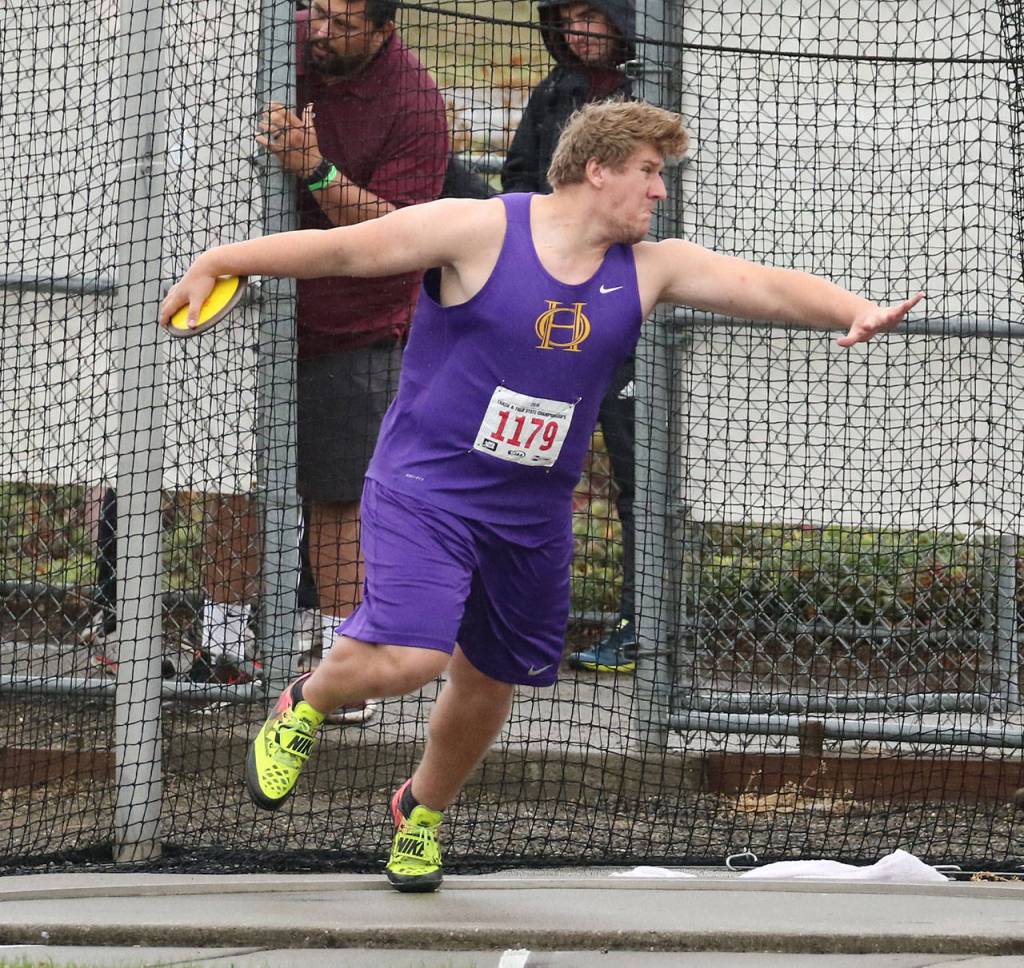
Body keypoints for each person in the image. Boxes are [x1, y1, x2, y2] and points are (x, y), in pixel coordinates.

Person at [160, 99, 923, 893]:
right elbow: (346, 251)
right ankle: (305, 702)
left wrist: (854, 310)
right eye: (649, 173)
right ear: (599, 169)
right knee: (414, 654)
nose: (660, 192)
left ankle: (420, 812)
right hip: (429, 486)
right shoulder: (481, 229)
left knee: (491, 678)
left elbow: (759, 286)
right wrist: (224, 257)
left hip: (530, 513)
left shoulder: (650, 268)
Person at [198, 0, 448, 718]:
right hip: (252, 312)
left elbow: (399, 233)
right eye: (317, 12)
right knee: (231, 479)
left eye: (342, 22)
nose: (319, 31)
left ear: (384, 27)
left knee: (340, 496)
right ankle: (223, 646)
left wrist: (312, 167)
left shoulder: (416, 103)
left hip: (353, 322)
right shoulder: (277, 48)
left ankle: (345, 670)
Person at [502, 1, 641, 673]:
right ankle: (509, 618)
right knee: (522, 457)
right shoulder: (556, 93)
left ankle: (642, 621)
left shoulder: (656, 89)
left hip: (635, 314)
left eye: (594, 16)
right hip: (553, 313)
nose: (582, 32)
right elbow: (520, 181)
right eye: (569, 17)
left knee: (639, 470)